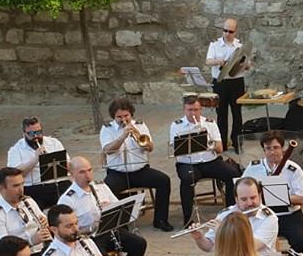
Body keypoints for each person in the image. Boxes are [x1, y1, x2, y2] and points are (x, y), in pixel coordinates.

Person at [59, 156, 149, 256]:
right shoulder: (68, 199)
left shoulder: (101, 187)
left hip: (110, 230)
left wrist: (110, 209)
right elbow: (66, 232)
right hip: (89, 237)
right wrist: (92, 226)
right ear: (72, 174)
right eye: (82, 172)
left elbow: (120, 207)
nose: (88, 175)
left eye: (89, 170)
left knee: (139, 243)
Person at [243, 132, 303, 256]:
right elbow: (241, 190)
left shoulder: (293, 169)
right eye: (268, 148)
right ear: (264, 150)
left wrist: (279, 196)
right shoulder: (253, 168)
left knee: (301, 241)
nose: (272, 151)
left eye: (276, 147)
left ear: (283, 148)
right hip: (262, 215)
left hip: (289, 215)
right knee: (248, 241)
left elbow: (302, 198)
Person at [99, 96, 174, 232]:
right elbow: (108, 151)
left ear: (131, 114)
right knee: (106, 191)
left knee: (164, 181)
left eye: (126, 115)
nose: (123, 119)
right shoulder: (107, 129)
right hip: (118, 173)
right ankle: (120, 225)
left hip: (140, 171)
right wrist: (122, 136)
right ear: (113, 117)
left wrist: (142, 140)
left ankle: (161, 220)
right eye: (119, 117)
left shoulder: (140, 125)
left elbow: (150, 147)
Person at [171, 93, 240, 224]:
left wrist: (207, 139)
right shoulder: (176, 125)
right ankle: (188, 219)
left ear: (200, 109)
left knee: (233, 174)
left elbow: (220, 149)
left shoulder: (210, 123)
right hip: (188, 163)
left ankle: (231, 212)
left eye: (196, 110)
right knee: (187, 180)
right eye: (190, 110)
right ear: (184, 110)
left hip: (210, 162)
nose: (193, 113)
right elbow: (176, 151)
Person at [0, 167, 52, 254]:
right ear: (1, 188)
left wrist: (45, 222)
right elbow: (2, 250)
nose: (21, 190)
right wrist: (30, 241)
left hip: (43, 251)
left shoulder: (28, 201)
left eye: (22, 184)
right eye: (15, 186)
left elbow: (46, 224)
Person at [205, 18, 250, 150]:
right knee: (221, 114)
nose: (227, 33)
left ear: (235, 32)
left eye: (230, 31)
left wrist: (246, 65)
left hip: (236, 82)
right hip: (220, 82)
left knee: (237, 114)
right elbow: (208, 61)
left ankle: (237, 142)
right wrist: (217, 61)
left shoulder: (240, 46)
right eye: (225, 30)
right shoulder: (215, 44)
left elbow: (248, 64)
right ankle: (222, 143)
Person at [5, 116, 66, 209]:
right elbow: (15, 175)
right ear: (24, 134)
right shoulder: (15, 150)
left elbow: (67, 165)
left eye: (38, 132)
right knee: (35, 210)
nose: (36, 136)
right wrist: (35, 159)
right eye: (31, 133)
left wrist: (51, 158)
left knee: (70, 201)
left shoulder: (54, 143)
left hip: (55, 183)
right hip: (33, 188)